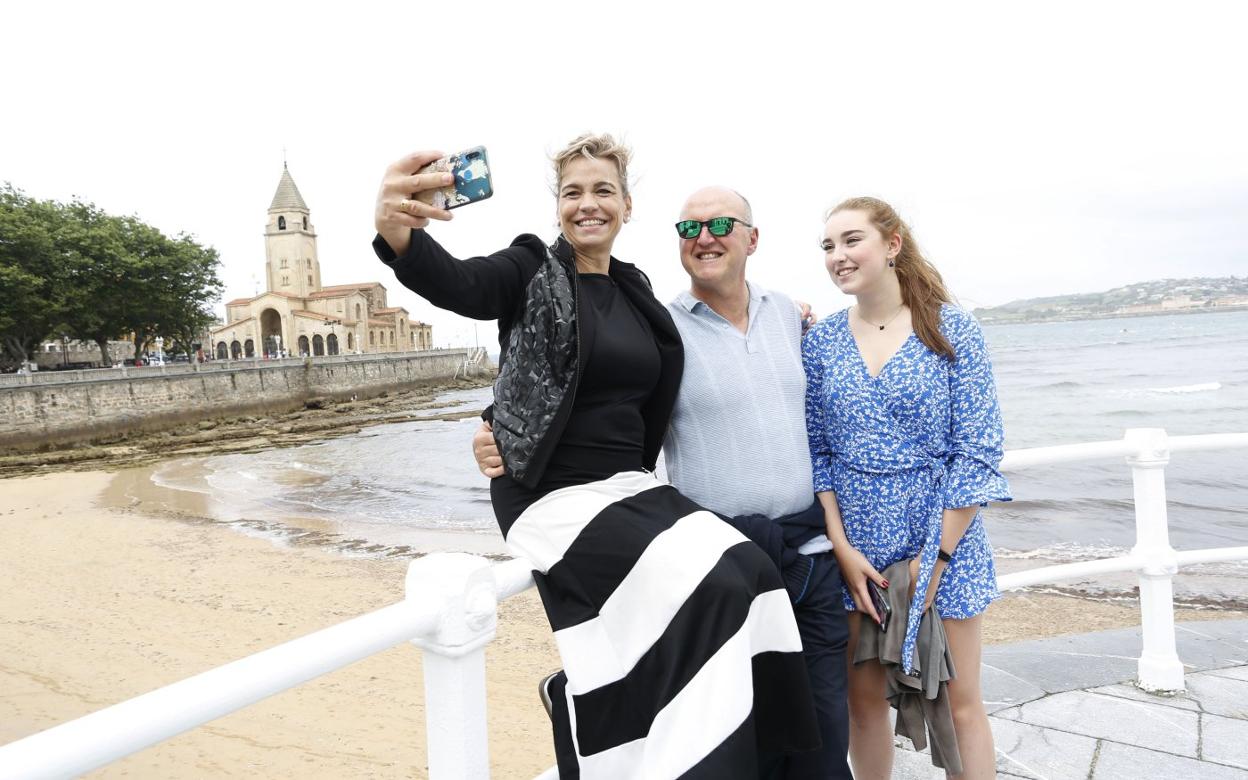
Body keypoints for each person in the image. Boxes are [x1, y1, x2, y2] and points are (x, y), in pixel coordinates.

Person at [371, 135, 818, 778]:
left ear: (627, 206)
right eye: (573, 193)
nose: (588, 204)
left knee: (754, 578)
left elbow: (703, 358)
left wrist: (786, 314)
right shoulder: (530, 268)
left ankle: (755, 759)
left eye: (603, 191)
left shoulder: (636, 291)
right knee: (714, 589)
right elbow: (462, 284)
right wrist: (400, 237)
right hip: (550, 492)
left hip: (628, 488)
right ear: (558, 207)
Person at [477, 186, 854, 779]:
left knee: (825, 740)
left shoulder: (791, 315)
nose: (705, 237)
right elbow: (580, 395)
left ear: (753, 238)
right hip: (725, 554)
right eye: (689, 229)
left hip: (811, 555)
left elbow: (828, 429)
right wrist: (492, 428)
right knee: (732, 735)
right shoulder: (658, 331)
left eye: (722, 224)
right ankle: (578, 699)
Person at [803, 196, 1011, 779]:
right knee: (863, 704)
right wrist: (841, 547)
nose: (837, 256)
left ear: (892, 244)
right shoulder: (820, 342)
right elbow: (818, 452)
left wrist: (934, 559)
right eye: (827, 246)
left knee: (960, 700)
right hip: (858, 546)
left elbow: (978, 451)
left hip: (944, 535)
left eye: (851, 240)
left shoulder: (952, 329)